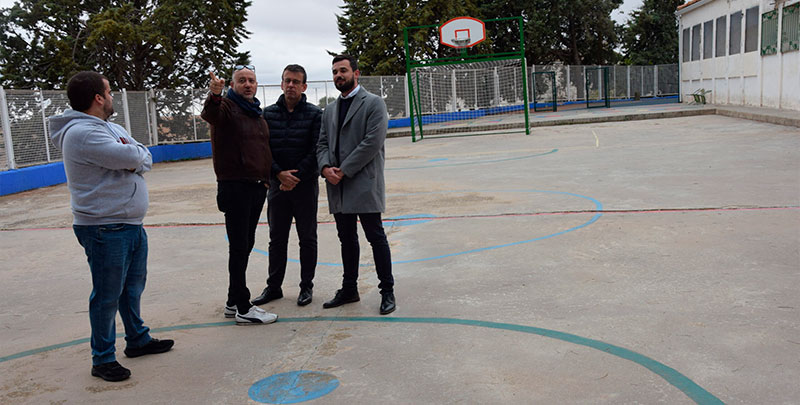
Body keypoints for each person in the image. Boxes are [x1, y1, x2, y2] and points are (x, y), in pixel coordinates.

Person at [49, 71, 174, 382]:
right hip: (105, 228)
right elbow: (130, 155)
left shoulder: (110, 127)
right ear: (98, 98)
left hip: (128, 223)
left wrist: (136, 157)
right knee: (107, 295)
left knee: (131, 288)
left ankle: (137, 339)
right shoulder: (82, 133)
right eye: (109, 91)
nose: (113, 96)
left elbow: (140, 155)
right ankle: (102, 357)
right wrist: (136, 157)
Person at [317, 55, 396, 315]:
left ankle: (387, 291)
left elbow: (372, 142)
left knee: (375, 237)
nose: (339, 75)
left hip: (362, 182)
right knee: (346, 239)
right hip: (337, 184)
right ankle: (349, 289)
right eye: (335, 72)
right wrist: (325, 168)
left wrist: (344, 170)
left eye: (343, 70)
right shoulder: (329, 109)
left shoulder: (373, 103)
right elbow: (322, 143)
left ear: (356, 73)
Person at [200, 65, 278, 325]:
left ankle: (233, 301)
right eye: (242, 80)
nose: (247, 84)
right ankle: (244, 306)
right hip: (236, 186)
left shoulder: (254, 112)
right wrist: (214, 94)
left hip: (256, 186)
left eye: (252, 80)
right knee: (239, 246)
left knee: (244, 244)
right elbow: (210, 114)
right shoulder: (226, 108)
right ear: (232, 85)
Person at [251, 64, 322, 307]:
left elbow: (316, 150)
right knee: (277, 239)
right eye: (287, 80)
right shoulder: (267, 115)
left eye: (295, 81)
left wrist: (296, 177)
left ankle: (306, 287)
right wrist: (279, 174)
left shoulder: (315, 115)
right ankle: (274, 287)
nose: (290, 85)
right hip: (277, 187)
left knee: (307, 238)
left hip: (305, 187)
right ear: (281, 84)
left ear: (304, 87)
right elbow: (262, 150)